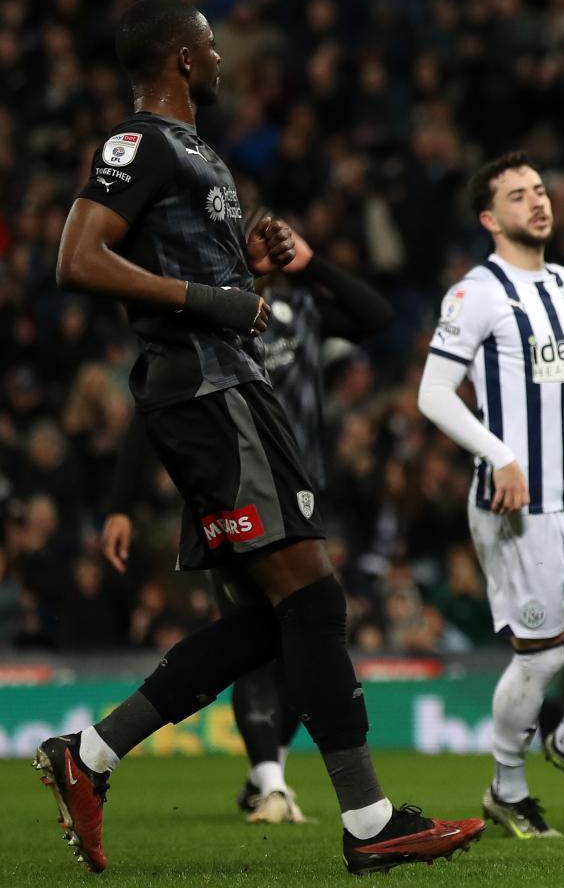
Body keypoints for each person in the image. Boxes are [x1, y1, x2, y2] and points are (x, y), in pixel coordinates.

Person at [34, 0, 483, 875]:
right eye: (208, 45)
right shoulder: (140, 143)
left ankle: (87, 758)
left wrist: (245, 263)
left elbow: (186, 263)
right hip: (209, 394)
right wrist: (212, 300)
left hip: (229, 389)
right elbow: (77, 258)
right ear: (180, 61)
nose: (220, 59)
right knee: (313, 600)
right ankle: (369, 822)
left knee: (275, 622)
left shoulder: (196, 153)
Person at [101, 221, 394, 825]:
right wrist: (122, 502)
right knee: (279, 625)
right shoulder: (210, 318)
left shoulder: (303, 314)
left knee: (283, 629)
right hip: (234, 480)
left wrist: (312, 264)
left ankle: (108, 753)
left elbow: (376, 314)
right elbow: (151, 400)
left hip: (296, 487)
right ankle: (304, 794)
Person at [418, 151, 564, 839]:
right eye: (519, 196)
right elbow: (433, 395)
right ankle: (506, 788)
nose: (538, 203)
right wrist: (499, 455)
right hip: (519, 507)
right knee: (543, 656)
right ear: (491, 218)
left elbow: (561, 370)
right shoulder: (476, 294)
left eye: (542, 190)